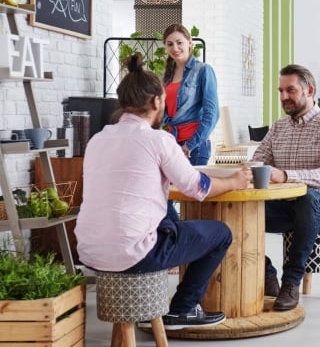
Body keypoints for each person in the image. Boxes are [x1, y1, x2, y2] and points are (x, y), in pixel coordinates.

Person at [74, 53, 252, 330]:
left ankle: (155, 305)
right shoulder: (158, 139)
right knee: (220, 234)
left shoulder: (97, 139)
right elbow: (196, 188)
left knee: (168, 222)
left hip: (89, 251)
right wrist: (234, 182)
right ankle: (183, 309)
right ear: (157, 101)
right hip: (133, 253)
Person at [250, 64, 320, 311]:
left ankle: (290, 282)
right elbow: (259, 161)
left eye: (290, 90)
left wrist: (285, 175)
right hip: (285, 209)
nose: (283, 97)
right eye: (280, 91)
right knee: (235, 207)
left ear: (309, 90)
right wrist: (245, 169)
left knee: (307, 198)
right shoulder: (278, 127)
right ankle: (266, 273)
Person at [161, 24, 220, 222]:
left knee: (192, 200)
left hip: (194, 146)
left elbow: (212, 113)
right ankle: (179, 239)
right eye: (170, 44)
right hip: (172, 143)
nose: (175, 48)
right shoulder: (168, 75)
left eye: (179, 42)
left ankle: (189, 244)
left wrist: (190, 144)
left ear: (190, 43)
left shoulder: (203, 70)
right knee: (162, 196)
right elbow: (164, 112)